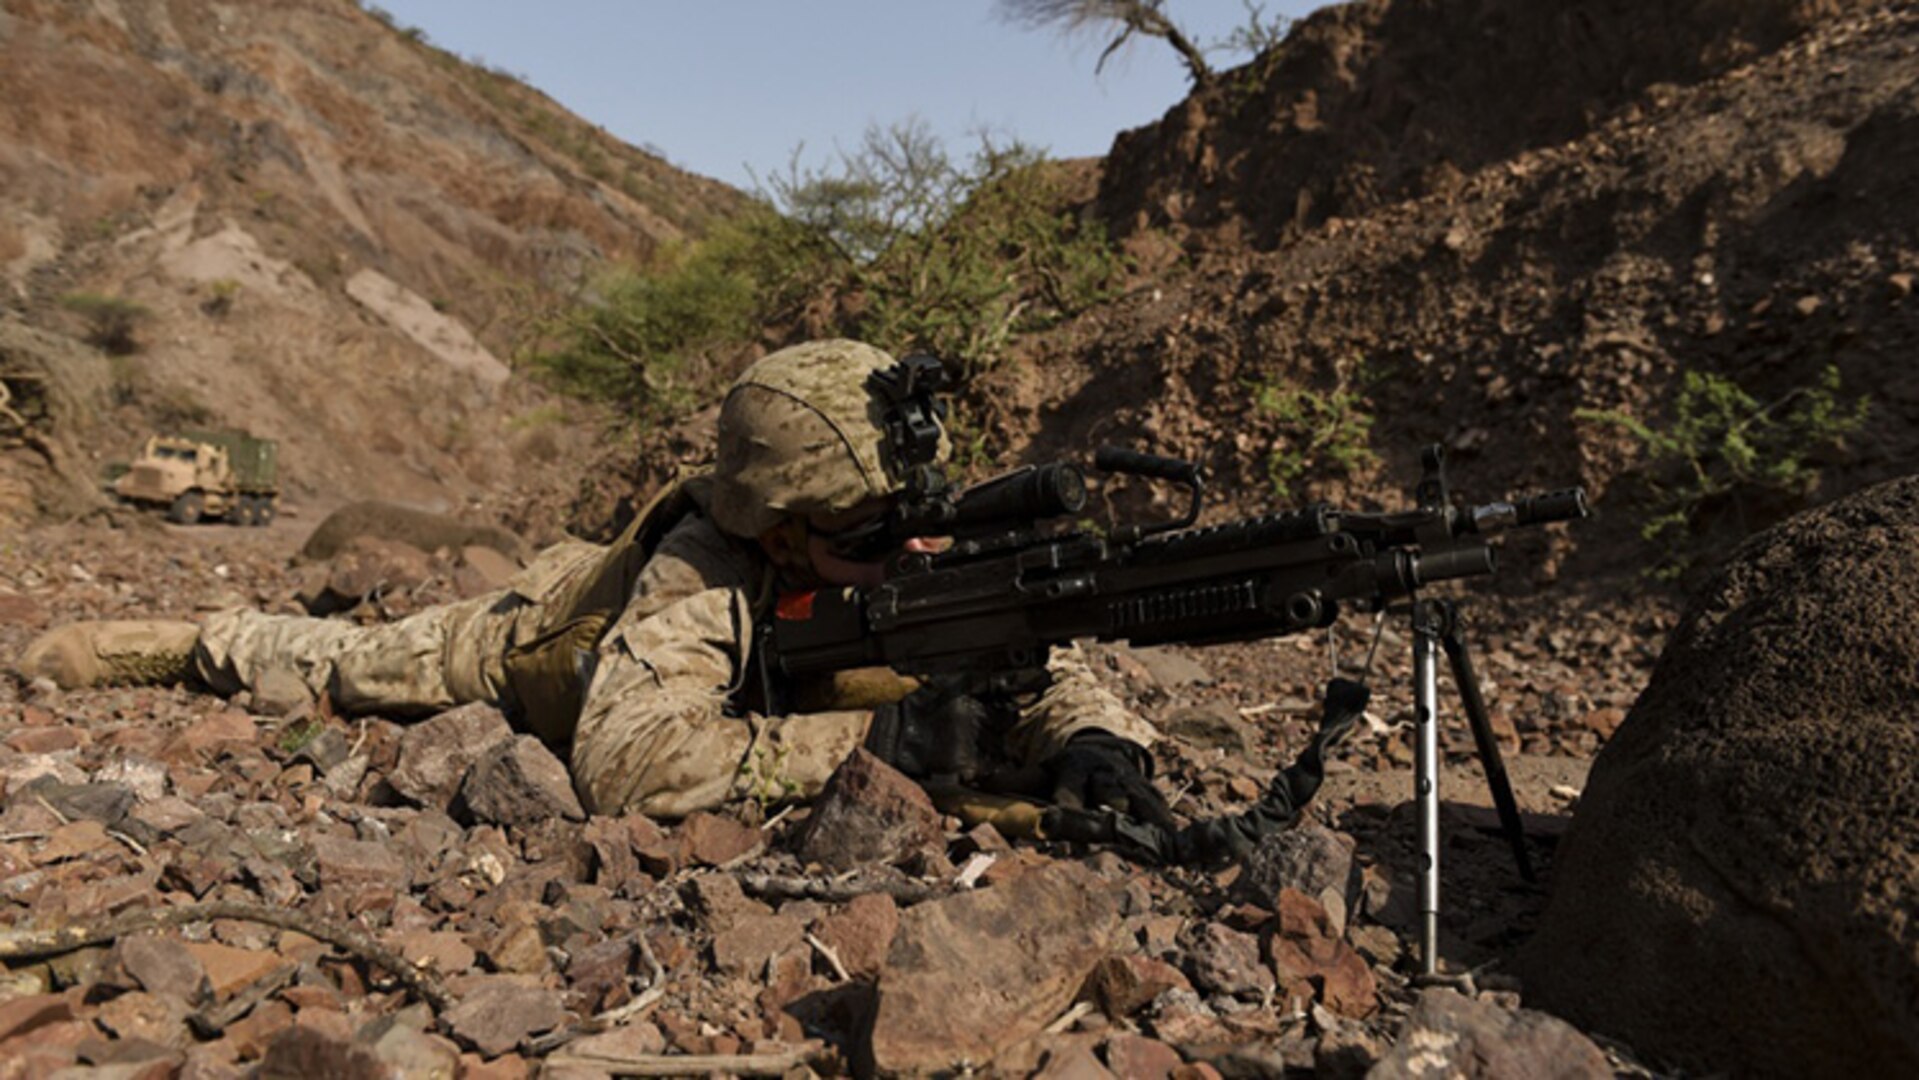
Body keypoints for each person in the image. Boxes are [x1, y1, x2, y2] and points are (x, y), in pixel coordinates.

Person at [18, 340, 1169, 827]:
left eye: (920, 519)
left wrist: (1092, 743)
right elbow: (621, 763)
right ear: (777, 527)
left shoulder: (905, 544)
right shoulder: (702, 570)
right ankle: (185, 639)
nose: (914, 550)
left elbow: (1031, 661)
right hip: (537, 632)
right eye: (870, 531)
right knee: (349, 662)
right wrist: (871, 743)